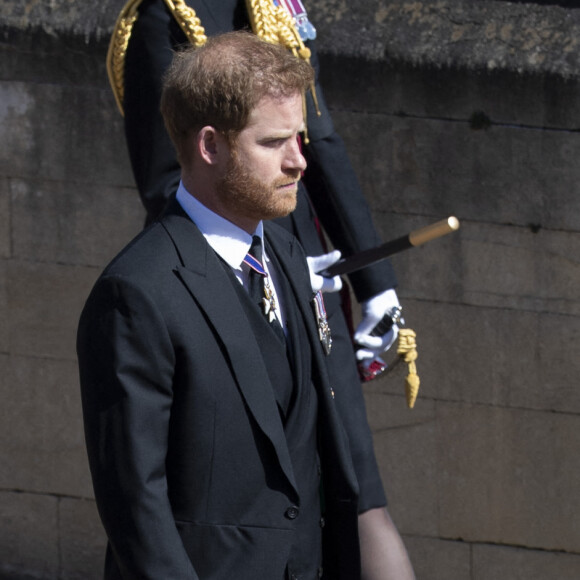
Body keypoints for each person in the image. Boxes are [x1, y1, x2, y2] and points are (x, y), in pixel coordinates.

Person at [79, 32, 414, 579]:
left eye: (300, 139)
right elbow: (136, 505)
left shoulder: (283, 248)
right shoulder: (136, 295)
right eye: (273, 142)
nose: (298, 162)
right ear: (211, 146)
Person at [112, 0, 403, 382]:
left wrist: (374, 283)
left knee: (346, 437)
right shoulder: (164, 18)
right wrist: (267, 271)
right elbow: (168, 180)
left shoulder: (275, 7)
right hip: (235, 278)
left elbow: (318, 140)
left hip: (309, 265)